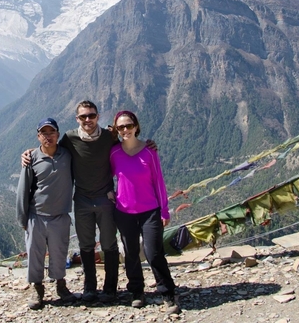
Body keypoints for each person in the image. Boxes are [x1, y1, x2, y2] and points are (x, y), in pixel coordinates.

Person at [22, 101, 121, 303]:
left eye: (91, 115)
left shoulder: (109, 137)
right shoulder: (70, 138)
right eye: (83, 116)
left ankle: (110, 288)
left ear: (98, 116)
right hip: (82, 200)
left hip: (105, 199)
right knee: (86, 245)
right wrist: (29, 153)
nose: (87, 120)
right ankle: (90, 288)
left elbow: (128, 145)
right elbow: (48, 147)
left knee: (109, 244)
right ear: (77, 119)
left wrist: (148, 145)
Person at [109, 110, 180, 315]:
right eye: (121, 127)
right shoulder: (114, 152)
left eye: (129, 126)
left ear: (136, 127)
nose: (125, 130)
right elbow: (105, 175)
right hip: (124, 211)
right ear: (116, 129)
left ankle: (167, 292)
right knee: (130, 253)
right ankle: (137, 292)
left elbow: (158, 181)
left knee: (153, 253)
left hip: (150, 210)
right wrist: (110, 193)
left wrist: (164, 210)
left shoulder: (149, 151)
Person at [16, 118, 78, 310]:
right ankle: (37, 288)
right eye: (44, 133)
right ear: (38, 136)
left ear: (58, 135)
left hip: (60, 215)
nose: (48, 136)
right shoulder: (31, 159)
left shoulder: (68, 155)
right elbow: (22, 190)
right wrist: (23, 218)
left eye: (52, 132)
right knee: (35, 254)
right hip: (37, 215)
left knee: (59, 252)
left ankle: (61, 285)